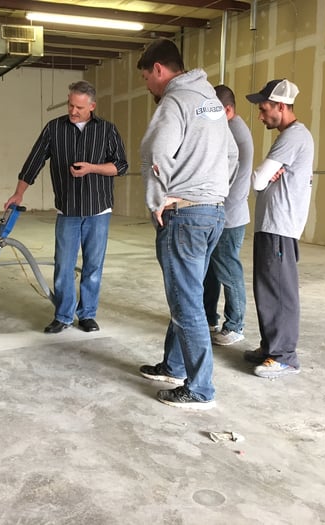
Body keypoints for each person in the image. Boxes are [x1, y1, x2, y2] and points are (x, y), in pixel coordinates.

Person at [136, 38, 238, 410]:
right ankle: (173, 366)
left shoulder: (175, 101)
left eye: (147, 77)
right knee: (188, 293)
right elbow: (232, 153)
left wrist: (157, 201)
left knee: (187, 303)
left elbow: (155, 152)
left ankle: (200, 388)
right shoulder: (210, 101)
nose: (148, 85)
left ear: (159, 70)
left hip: (184, 214)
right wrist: (214, 190)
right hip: (212, 212)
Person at [4, 80, 128, 334]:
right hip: (67, 211)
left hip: (98, 210)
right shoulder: (54, 129)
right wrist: (19, 193)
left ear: (92, 106)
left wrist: (93, 168)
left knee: (93, 266)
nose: (73, 111)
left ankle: (87, 315)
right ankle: (62, 315)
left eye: (79, 107)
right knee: (63, 264)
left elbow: (121, 166)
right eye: (71, 105)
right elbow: (34, 161)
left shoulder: (106, 130)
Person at [244, 78, 314, 378]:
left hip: (280, 226)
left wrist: (262, 174)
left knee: (280, 291)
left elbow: (258, 180)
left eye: (264, 109)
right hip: (271, 225)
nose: (261, 116)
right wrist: (266, 174)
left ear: (280, 106)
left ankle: (285, 356)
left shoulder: (294, 136)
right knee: (267, 288)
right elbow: (264, 179)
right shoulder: (288, 136)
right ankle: (271, 346)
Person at [203, 85, 254, 346]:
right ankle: (208, 317)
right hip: (223, 212)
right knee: (212, 269)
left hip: (229, 215)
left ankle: (235, 325)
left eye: (215, 111)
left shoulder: (233, 131)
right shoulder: (229, 127)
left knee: (227, 269)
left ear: (228, 110)